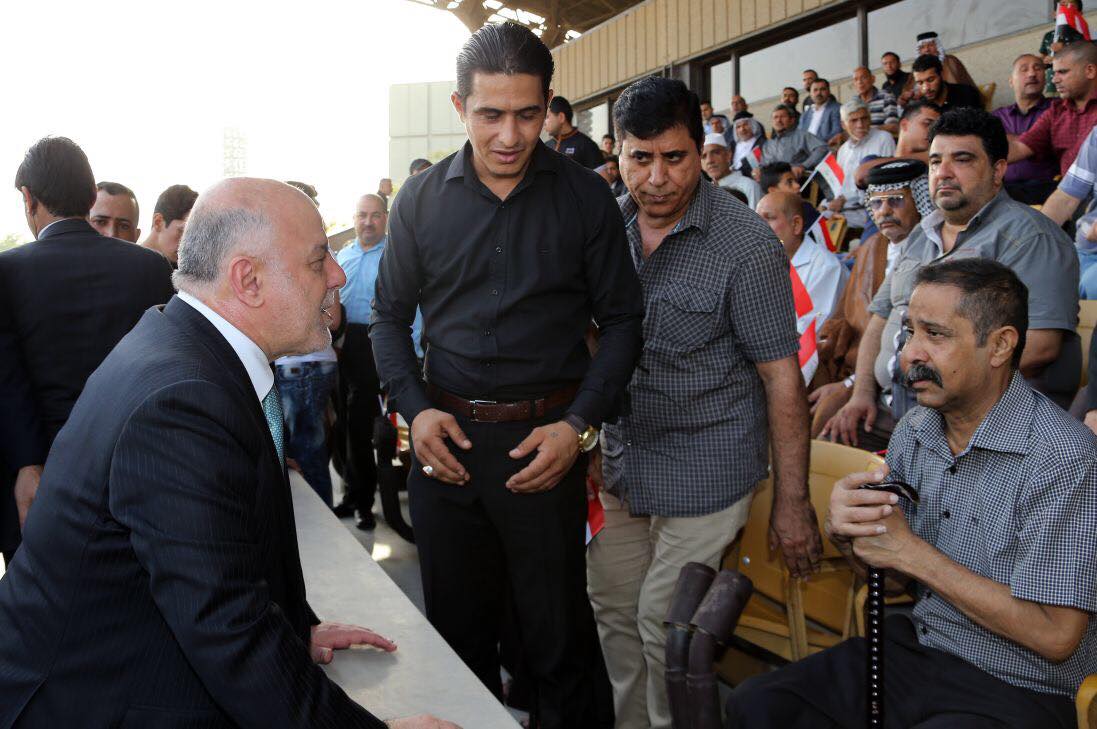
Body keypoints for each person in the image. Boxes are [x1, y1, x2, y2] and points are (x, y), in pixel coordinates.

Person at [0, 177, 457, 729]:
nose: (337, 276)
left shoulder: (191, 347)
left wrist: (293, 628)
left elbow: (221, 556)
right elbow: (224, 627)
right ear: (249, 280)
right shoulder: (183, 399)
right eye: (318, 261)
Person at [370, 22, 642, 728]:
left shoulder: (586, 199)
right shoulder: (420, 202)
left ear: (550, 106)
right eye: (490, 114)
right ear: (460, 108)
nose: (509, 135)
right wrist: (413, 411)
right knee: (453, 645)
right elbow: (388, 319)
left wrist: (578, 428)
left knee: (557, 645)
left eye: (527, 114)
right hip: (445, 447)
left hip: (543, 453)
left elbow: (622, 324)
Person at [728, 257, 1096, 729]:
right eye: (909, 331)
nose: (909, 354)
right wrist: (856, 533)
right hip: (922, 649)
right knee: (758, 704)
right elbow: (894, 579)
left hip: (1022, 685)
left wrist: (911, 552)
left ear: (1000, 345)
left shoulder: (1064, 457)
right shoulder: (917, 429)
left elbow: (1057, 636)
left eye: (935, 335)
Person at [587, 76, 821, 729]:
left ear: (701, 147)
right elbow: (587, 341)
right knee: (612, 611)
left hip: (709, 464)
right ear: (620, 154)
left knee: (667, 627)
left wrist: (793, 503)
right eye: (641, 158)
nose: (657, 177)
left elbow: (781, 378)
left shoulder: (743, 245)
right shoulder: (605, 227)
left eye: (675, 157)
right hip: (623, 460)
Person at [823, 108, 1080, 450]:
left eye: (961, 160)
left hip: (980, 422)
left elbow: (1039, 346)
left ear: (998, 171)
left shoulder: (1029, 237)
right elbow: (881, 317)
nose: (943, 173)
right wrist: (861, 393)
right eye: (934, 162)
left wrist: (928, 379)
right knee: (820, 448)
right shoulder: (918, 237)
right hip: (894, 409)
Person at [0, 137, 175, 562]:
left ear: (29, 198)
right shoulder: (149, 268)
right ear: (88, 193)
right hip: (137, 473)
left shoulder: (7, 272)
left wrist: (26, 464)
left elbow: (5, 380)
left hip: (40, 478)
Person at [808, 160, 926, 437]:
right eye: (876, 203)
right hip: (858, 371)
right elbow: (844, 317)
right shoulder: (870, 247)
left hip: (900, 391)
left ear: (921, 201)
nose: (884, 211)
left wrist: (851, 385)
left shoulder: (932, 251)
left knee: (829, 425)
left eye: (895, 200)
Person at [333, 193, 423, 530]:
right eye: (361, 215)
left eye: (374, 215)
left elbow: (414, 311)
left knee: (363, 429)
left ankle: (365, 504)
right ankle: (350, 495)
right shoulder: (344, 255)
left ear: (385, 218)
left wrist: (410, 354)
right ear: (353, 219)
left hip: (379, 349)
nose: (367, 222)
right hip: (344, 349)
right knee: (343, 428)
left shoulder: (395, 257)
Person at [273, 181, 344, 507]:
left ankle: (322, 527)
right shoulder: (289, 250)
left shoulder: (314, 254)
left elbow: (335, 318)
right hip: (302, 366)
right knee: (301, 449)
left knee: (307, 450)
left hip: (304, 367)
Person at [757, 190, 849, 384]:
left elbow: (808, 336)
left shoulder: (825, 267)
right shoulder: (764, 261)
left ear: (796, 225)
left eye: (769, 219)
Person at [1008, 40, 1097, 179]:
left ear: (1090, 71)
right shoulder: (1056, 111)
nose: (1055, 80)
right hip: (1068, 195)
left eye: (1062, 72)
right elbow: (1020, 148)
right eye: (1054, 73)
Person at [1040, 125, 1097, 299]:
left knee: (1092, 284)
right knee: (1029, 278)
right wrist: (1030, 238)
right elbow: (1066, 197)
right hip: (1083, 251)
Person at [993, 54, 1057, 205]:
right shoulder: (997, 116)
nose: (1032, 73)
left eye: (1038, 68)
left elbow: (1052, 143)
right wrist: (1037, 140)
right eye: (1024, 69)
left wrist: (1009, 139)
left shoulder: (1058, 108)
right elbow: (988, 148)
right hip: (1004, 190)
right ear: (1011, 81)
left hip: (1047, 188)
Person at [825, 99, 897, 229]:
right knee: (817, 216)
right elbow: (840, 186)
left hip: (873, 208)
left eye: (864, 119)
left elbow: (888, 182)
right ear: (843, 125)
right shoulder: (843, 150)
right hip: (846, 206)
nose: (860, 125)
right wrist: (835, 200)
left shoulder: (883, 138)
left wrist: (843, 200)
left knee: (826, 222)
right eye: (854, 120)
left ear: (870, 119)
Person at [758, 104, 828, 181]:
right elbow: (763, 165)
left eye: (782, 117)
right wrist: (757, 171)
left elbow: (822, 148)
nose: (778, 120)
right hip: (774, 182)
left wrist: (803, 166)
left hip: (797, 180)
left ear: (792, 120)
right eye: (775, 117)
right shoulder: (768, 144)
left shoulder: (802, 135)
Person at [139, 183, 197, 267]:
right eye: (182, 232)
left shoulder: (181, 271)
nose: (188, 244)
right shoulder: (125, 264)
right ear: (158, 222)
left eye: (192, 235)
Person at [701, 132, 763, 209]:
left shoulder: (749, 187)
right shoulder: (703, 192)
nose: (709, 160)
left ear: (728, 155)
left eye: (716, 153)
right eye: (703, 156)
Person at [1041, 0, 1087, 95]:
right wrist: (1044, 62)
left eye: (1071, 8)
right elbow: (1042, 60)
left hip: (1077, 86)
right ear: (1055, 14)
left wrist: (1063, 52)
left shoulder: (1083, 35)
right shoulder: (1049, 36)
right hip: (1053, 88)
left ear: (1080, 14)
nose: (1066, 11)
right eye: (1062, 7)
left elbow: (1087, 58)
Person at [544, 95, 604, 169]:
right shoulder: (546, 146)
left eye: (547, 117)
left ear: (561, 117)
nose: (544, 122)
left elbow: (601, 178)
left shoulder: (586, 145)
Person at [912, 54, 984, 113]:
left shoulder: (967, 93)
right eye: (920, 83)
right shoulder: (919, 108)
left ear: (942, 74)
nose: (926, 88)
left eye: (930, 80)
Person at [759, 161, 820, 229]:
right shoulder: (783, 226)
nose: (797, 185)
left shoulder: (803, 206)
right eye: (789, 183)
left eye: (795, 180)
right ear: (773, 191)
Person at [851, 66, 899, 134]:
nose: (859, 82)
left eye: (863, 77)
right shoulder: (853, 102)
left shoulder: (886, 96)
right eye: (856, 79)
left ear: (873, 79)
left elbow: (893, 126)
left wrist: (867, 131)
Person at [799, 78, 842, 147]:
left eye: (822, 89)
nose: (818, 93)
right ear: (810, 93)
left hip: (825, 149)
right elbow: (799, 136)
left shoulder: (837, 108)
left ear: (829, 91)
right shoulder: (805, 114)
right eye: (815, 90)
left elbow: (836, 132)